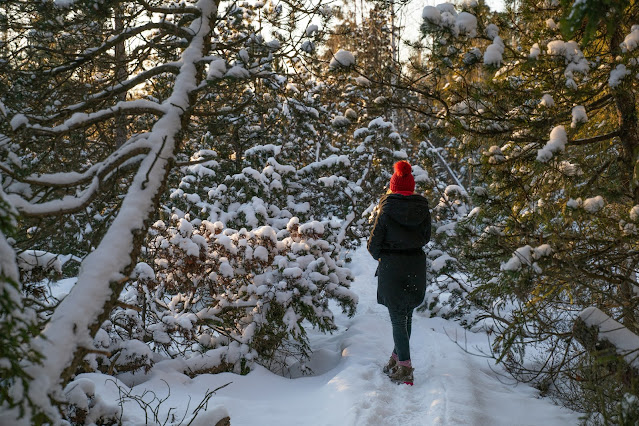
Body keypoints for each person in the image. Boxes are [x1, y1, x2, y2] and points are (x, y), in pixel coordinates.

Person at [367, 160, 431, 386]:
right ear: (411, 187)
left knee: (397, 318)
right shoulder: (423, 209)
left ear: (393, 187)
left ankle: (405, 368)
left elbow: (373, 245)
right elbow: (426, 238)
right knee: (406, 315)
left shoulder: (386, 210)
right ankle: (396, 359)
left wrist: (385, 256)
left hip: (392, 267)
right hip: (415, 265)